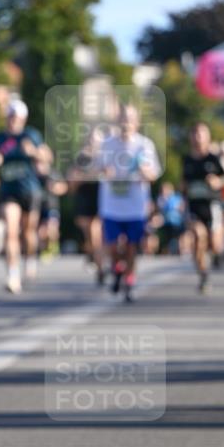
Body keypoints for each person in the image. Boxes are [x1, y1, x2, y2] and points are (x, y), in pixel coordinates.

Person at [98, 104, 161, 302]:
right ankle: (117, 269)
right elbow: (96, 169)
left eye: (130, 119)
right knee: (113, 246)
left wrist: (145, 171)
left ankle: (129, 281)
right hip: (111, 205)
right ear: (117, 121)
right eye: (123, 118)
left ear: (137, 122)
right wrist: (104, 172)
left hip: (135, 206)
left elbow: (154, 175)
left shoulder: (144, 145)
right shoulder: (107, 144)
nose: (126, 123)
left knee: (132, 247)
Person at [0, 99, 46, 293]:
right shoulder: (0, 137)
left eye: (17, 117)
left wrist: (33, 152)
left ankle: (30, 259)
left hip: (30, 190)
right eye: (10, 117)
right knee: (11, 231)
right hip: (9, 191)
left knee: (29, 232)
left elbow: (46, 157)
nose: (13, 121)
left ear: (23, 119)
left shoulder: (31, 135)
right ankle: (12, 275)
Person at [182, 123, 224, 293]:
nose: (198, 137)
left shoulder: (213, 158)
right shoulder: (187, 159)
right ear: (191, 137)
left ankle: (216, 255)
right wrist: (183, 190)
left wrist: (217, 181)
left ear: (207, 137)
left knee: (215, 244)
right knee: (198, 237)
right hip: (194, 206)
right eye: (195, 134)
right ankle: (203, 274)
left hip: (211, 205)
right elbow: (183, 183)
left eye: (202, 134)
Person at [68, 129, 105, 285]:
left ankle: (101, 265)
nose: (92, 143)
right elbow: (72, 181)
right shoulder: (81, 158)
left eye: (95, 140)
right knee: (89, 234)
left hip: (100, 198)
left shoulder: (105, 157)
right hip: (85, 198)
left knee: (96, 232)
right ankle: (94, 257)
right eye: (90, 139)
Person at [154, 181, 186, 255]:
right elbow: (159, 210)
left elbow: (181, 209)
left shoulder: (177, 197)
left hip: (177, 221)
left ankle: (179, 249)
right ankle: (162, 248)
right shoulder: (161, 199)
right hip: (165, 221)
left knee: (178, 230)